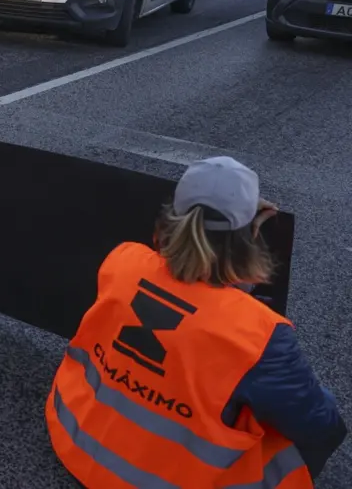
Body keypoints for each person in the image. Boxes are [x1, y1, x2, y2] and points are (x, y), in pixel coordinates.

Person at [46, 157, 347, 488]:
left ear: (172, 219)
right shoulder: (258, 334)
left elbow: (179, 282)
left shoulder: (123, 261)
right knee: (305, 410)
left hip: (76, 437)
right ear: (251, 236)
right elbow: (321, 426)